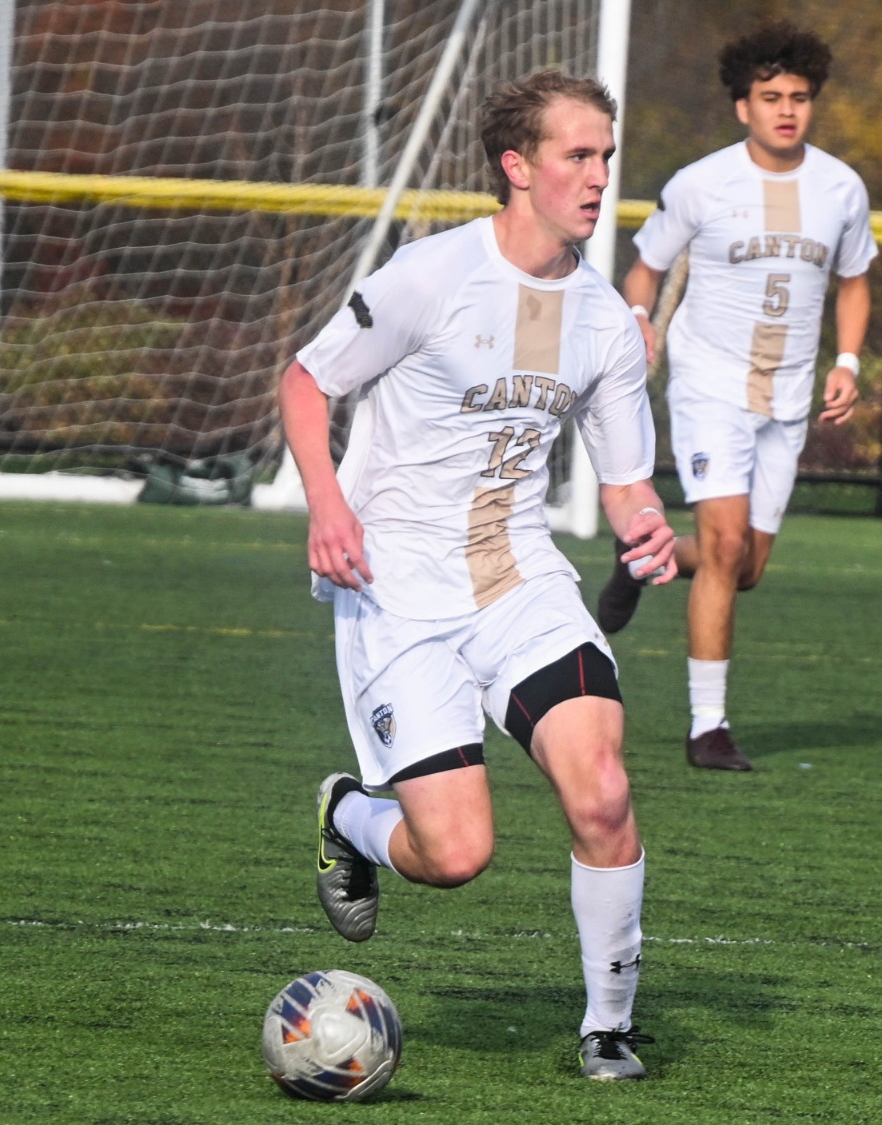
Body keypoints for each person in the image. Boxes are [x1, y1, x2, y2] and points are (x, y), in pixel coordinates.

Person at [278, 70, 677, 1082]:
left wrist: (645, 530)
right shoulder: (430, 274)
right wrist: (327, 505)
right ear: (517, 167)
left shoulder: (601, 321)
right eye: (576, 157)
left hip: (517, 580)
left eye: (605, 156)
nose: (597, 177)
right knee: (454, 856)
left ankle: (606, 1028)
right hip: (394, 587)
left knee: (601, 791)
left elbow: (625, 484)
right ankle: (351, 816)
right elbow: (304, 380)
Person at [596, 22, 875, 771]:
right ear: (741, 106)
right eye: (770, 96)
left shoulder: (842, 188)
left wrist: (846, 359)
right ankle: (707, 728)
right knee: (722, 545)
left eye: (800, 97)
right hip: (710, 384)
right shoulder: (700, 184)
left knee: (744, 567)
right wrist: (639, 323)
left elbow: (854, 282)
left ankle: (639, 561)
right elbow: (645, 270)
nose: (787, 110)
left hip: (787, 399)